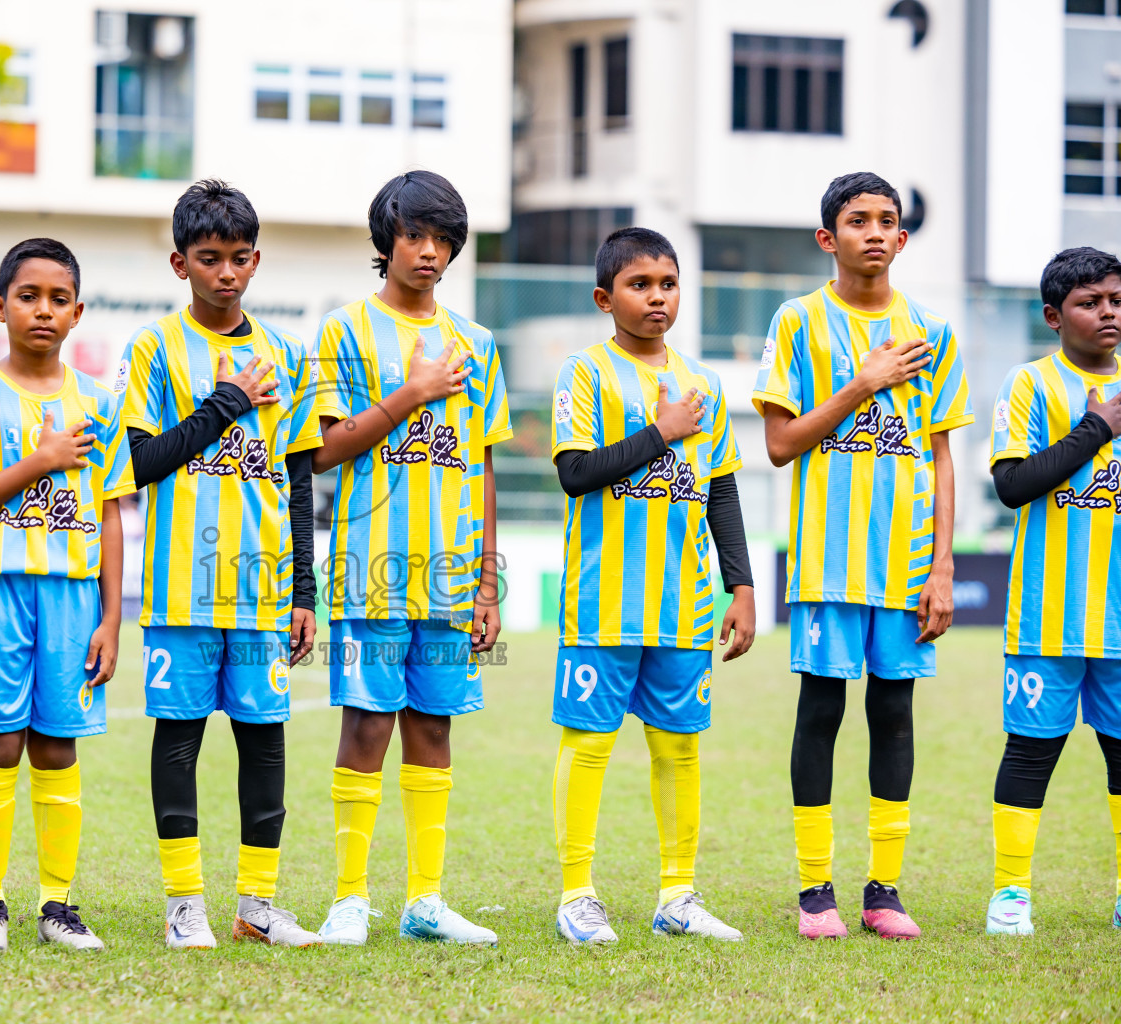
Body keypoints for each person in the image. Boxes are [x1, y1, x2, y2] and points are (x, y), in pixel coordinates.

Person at [753, 171, 972, 940]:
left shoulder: (933, 331)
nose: (874, 231)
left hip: (909, 568)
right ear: (829, 237)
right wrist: (861, 383)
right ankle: (816, 891)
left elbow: (941, 456)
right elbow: (780, 445)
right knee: (820, 712)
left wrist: (942, 566)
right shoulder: (798, 322)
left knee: (895, 715)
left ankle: (885, 890)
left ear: (902, 238)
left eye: (888, 220)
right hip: (826, 562)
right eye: (857, 220)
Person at [117, 180, 321, 949]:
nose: (226, 273)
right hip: (179, 593)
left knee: (265, 742)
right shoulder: (153, 349)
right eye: (209, 259)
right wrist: (226, 403)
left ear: (256, 260)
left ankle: (257, 906)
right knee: (178, 740)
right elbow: (137, 463)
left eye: (239, 259)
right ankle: (184, 906)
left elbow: (298, 479)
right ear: (181, 263)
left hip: (264, 596)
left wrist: (303, 590)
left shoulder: (287, 354)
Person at [311, 170, 511, 947]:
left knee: (434, 726)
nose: (430, 253)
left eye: (443, 240)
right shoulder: (346, 331)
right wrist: (411, 394)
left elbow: (483, 462)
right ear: (385, 240)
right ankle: (350, 899)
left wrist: (487, 580)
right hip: (371, 569)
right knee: (367, 725)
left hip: (455, 578)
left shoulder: (479, 343)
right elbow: (323, 450)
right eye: (416, 236)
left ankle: (425, 900)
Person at [549, 227, 754, 945]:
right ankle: (577, 893)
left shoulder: (705, 383)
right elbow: (575, 472)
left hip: (687, 604)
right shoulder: (584, 372)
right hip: (603, 603)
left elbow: (721, 488)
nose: (657, 297)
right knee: (590, 743)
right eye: (640, 285)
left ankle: (678, 895)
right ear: (607, 298)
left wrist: (742, 584)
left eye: (667, 283)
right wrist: (661, 432)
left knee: (679, 746)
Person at [0, 238, 132, 952]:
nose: (43, 310)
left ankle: (58, 904)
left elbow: (111, 513)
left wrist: (113, 617)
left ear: (77, 313)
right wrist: (42, 459)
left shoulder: (100, 404)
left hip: (75, 601)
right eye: (28, 296)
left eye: (58, 299)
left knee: (57, 747)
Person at [984, 246, 1121, 935]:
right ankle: (1011, 894)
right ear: (1053, 315)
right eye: (1090, 302)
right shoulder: (1030, 385)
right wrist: (1099, 428)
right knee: (1031, 749)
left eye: (1115, 300)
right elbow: (1012, 485)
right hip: (1051, 613)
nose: (1107, 313)